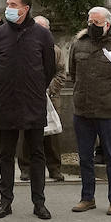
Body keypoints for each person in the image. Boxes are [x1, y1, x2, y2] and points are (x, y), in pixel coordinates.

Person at [0, 0, 57, 220]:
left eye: (13, 4)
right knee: (6, 154)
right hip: (6, 102)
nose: (8, 7)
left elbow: (49, 69)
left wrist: (36, 87)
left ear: (25, 8)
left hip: (33, 102)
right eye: (7, 3)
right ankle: (5, 202)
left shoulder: (42, 35)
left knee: (36, 154)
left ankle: (39, 203)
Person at [67, 7, 111, 216]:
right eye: (90, 21)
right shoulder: (78, 44)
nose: (92, 26)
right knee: (85, 157)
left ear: (108, 24)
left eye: (96, 23)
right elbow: (73, 73)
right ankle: (87, 197)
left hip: (108, 110)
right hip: (83, 110)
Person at [17, 15, 64, 183]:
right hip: (29, 97)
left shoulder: (55, 50)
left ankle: (54, 168)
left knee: (52, 136)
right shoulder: (22, 48)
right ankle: (26, 168)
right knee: (27, 132)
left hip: (50, 97)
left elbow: (60, 73)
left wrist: (48, 89)